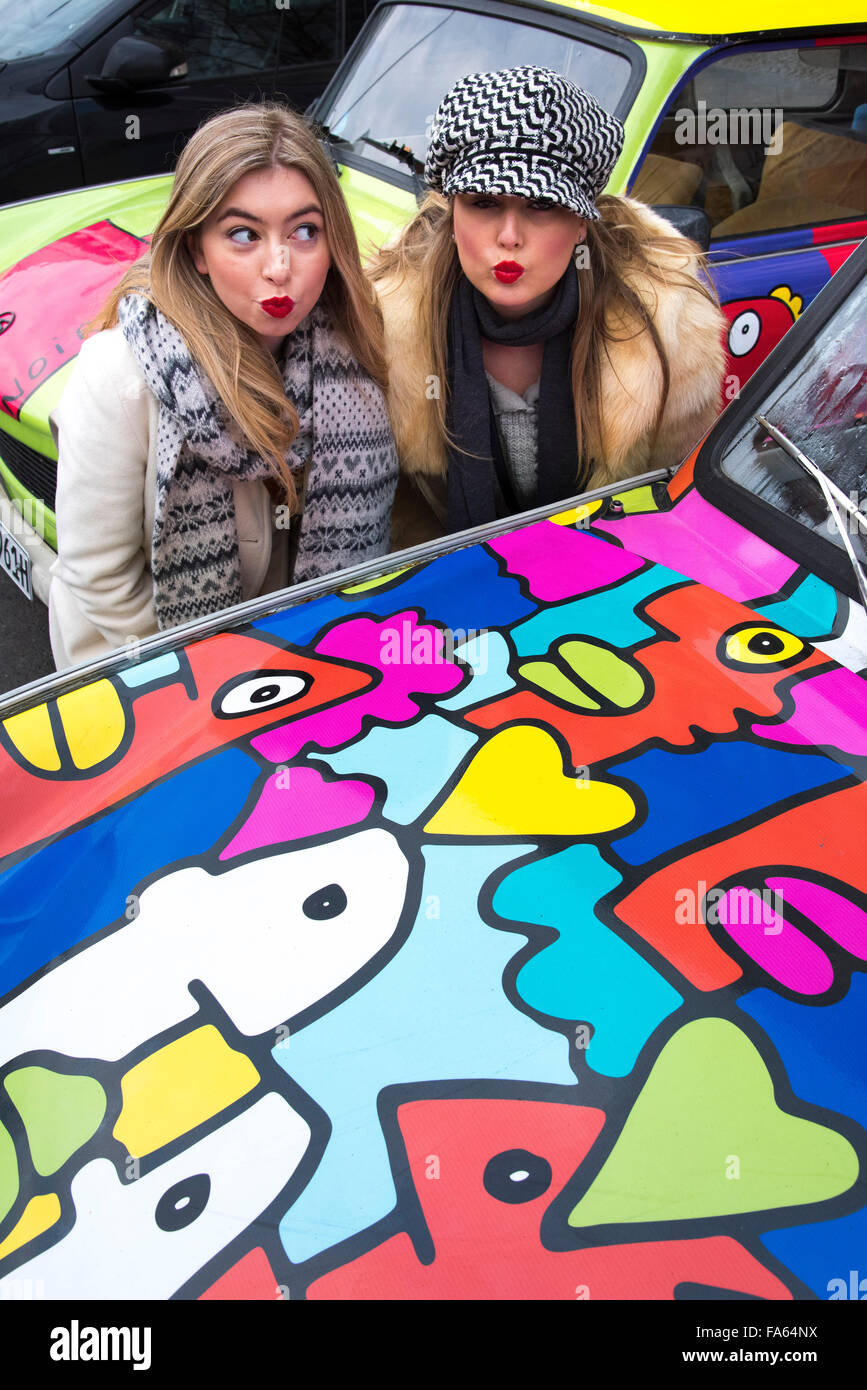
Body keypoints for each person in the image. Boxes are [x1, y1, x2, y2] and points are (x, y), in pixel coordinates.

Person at [49, 104, 398, 670]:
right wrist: (211, 685)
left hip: (305, 667)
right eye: (243, 235)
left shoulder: (350, 342)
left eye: (305, 231)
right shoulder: (120, 371)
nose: (279, 267)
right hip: (146, 678)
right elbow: (101, 578)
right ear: (196, 249)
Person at [369, 67, 727, 548]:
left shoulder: (669, 328)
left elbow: (682, 507)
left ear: (581, 222)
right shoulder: (384, 328)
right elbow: (386, 527)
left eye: (541, 205)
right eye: (484, 202)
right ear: (452, 212)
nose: (509, 236)